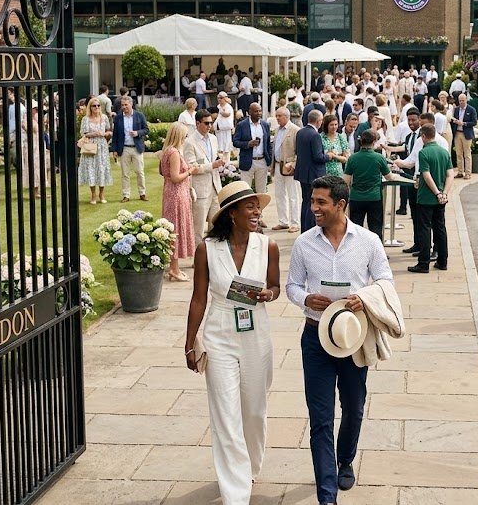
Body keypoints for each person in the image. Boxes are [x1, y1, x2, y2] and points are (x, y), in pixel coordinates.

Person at [286, 175, 393, 505]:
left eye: (321, 202)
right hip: (315, 338)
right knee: (320, 418)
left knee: (354, 408)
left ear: (340, 205)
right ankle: (327, 496)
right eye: (313, 201)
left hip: (354, 337)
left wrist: (365, 296)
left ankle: (345, 459)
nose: (313, 207)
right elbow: (292, 286)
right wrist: (306, 299)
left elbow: (385, 279)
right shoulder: (304, 243)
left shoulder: (368, 241)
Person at [183, 181, 279, 505]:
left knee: (253, 409)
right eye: (249, 206)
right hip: (219, 331)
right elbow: (198, 298)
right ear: (231, 213)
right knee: (225, 412)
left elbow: (276, 286)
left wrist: (269, 293)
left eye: (257, 206)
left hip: (256, 332)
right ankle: (236, 493)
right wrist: (189, 343)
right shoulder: (206, 250)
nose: (256, 212)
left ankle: (250, 465)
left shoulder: (268, 246)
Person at [407, 123, 455, 273]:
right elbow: (450, 174)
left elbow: (426, 175)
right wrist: (444, 193)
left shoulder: (423, 152)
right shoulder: (444, 152)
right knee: (440, 228)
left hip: (426, 197)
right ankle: (443, 261)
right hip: (441, 198)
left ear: (423, 136)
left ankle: (423, 263)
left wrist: (436, 193)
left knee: (425, 229)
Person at [159, 123, 199, 281]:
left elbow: (164, 173)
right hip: (176, 194)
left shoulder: (166, 152)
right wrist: (190, 171)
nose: (186, 138)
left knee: (173, 229)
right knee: (175, 229)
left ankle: (174, 268)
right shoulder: (174, 152)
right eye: (185, 135)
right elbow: (175, 177)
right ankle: (174, 269)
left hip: (171, 192)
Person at [184, 110, 225, 244]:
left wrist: (220, 162)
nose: (209, 126)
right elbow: (191, 167)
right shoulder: (189, 142)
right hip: (200, 190)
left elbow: (213, 159)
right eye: (206, 123)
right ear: (197, 123)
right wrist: (212, 165)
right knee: (198, 228)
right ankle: (198, 259)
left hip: (215, 188)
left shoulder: (213, 139)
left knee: (216, 226)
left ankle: (214, 257)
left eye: (211, 123)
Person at [344, 129, 392, 241]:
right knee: (375, 227)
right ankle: (377, 253)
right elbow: (389, 177)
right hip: (374, 197)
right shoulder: (379, 158)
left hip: (356, 197)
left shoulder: (353, 158)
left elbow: (346, 180)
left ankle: (355, 252)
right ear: (374, 141)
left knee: (355, 227)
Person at [233, 103, 273, 228]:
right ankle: (245, 218)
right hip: (248, 161)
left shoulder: (265, 125)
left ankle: (260, 218)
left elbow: (268, 144)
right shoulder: (242, 125)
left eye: (260, 111)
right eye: (256, 111)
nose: (259, 113)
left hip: (261, 161)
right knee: (245, 191)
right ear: (250, 112)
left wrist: (269, 159)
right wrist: (247, 144)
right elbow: (235, 141)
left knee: (261, 192)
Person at [294, 110, 330, 232]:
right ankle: (310, 229)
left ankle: (304, 229)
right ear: (318, 121)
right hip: (314, 174)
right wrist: (329, 156)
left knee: (305, 202)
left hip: (302, 172)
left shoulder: (300, 132)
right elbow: (318, 157)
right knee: (312, 203)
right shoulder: (315, 136)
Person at [110, 95, 149, 202]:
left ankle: (142, 193)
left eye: (126, 105)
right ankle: (126, 195)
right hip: (124, 148)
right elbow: (115, 135)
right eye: (122, 105)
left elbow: (146, 129)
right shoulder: (118, 118)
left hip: (136, 148)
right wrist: (114, 149)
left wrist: (137, 133)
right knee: (125, 173)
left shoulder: (139, 116)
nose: (124, 107)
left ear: (131, 104)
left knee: (139, 172)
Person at [270, 107, 301, 233]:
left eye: (279, 116)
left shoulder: (295, 130)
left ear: (287, 116)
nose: (277, 118)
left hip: (289, 167)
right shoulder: (277, 130)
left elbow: (299, 151)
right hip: (278, 165)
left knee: (293, 195)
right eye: (276, 116)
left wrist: (293, 164)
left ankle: (295, 222)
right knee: (279, 194)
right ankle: (283, 221)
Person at [78, 97, 113, 204]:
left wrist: (107, 134)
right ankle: (93, 194)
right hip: (90, 146)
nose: (97, 107)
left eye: (98, 105)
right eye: (94, 106)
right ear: (90, 107)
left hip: (102, 146)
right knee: (91, 169)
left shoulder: (104, 118)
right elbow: (83, 133)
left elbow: (108, 131)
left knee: (101, 168)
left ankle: (101, 194)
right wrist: (95, 133)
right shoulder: (86, 119)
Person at [450, 93, 477, 179]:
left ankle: (468, 173)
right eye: (460, 101)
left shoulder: (471, 110)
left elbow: (474, 122)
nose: (461, 102)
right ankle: (460, 171)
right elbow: (453, 119)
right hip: (457, 133)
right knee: (458, 153)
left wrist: (464, 123)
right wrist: (454, 121)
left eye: (463, 100)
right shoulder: (456, 109)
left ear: (466, 100)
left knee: (467, 154)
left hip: (466, 133)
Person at [22, 101, 43, 199]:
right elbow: (30, 130)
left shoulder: (37, 118)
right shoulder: (25, 120)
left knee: (38, 166)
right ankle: (33, 191)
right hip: (31, 145)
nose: (35, 111)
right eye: (34, 109)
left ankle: (37, 190)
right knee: (32, 166)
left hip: (38, 143)